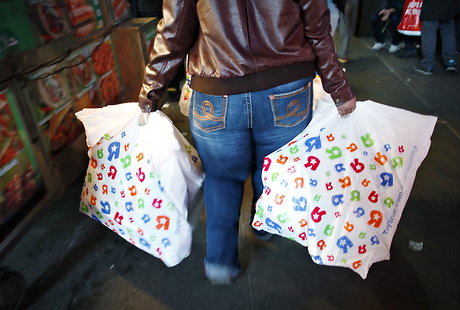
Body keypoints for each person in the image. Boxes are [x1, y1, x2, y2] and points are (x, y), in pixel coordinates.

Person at [138, 0, 356, 285]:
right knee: (275, 168)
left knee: (222, 177)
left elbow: (173, 34)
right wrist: (339, 89)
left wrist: (150, 91)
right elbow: (318, 30)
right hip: (287, 88)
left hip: (216, 92)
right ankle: (265, 223)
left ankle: (220, 262)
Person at [414, 0, 460, 75]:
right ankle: (450, 62)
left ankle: (427, 65)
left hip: (432, 8)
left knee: (429, 36)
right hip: (450, 8)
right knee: (448, 35)